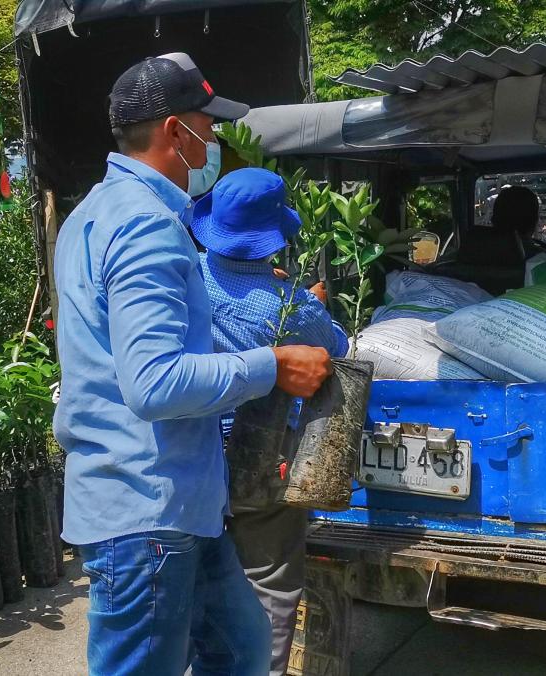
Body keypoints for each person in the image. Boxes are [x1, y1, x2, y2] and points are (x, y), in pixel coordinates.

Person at [52, 53, 332, 676]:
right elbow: (153, 383)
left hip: (184, 503)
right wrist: (271, 365)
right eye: (206, 128)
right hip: (145, 509)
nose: (212, 142)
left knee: (241, 649)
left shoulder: (92, 214)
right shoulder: (144, 225)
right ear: (175, 132)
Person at [191, 167, 348, 675]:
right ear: (275, 238)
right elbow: (337, 349)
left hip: (192, 455)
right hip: (261, 461)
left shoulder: (187, 277)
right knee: (271, 585)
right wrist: (312, 303)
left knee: (200, 586)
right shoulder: (292, 306)